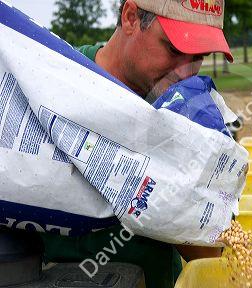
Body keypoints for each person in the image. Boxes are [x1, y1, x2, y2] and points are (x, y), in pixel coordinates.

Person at [40, 0, 234, 287]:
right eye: (174, 49)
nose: (186, 73)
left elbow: (208, 255)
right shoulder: (48, 85)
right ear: (131, 17)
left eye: (199, 55)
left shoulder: (186, 115)